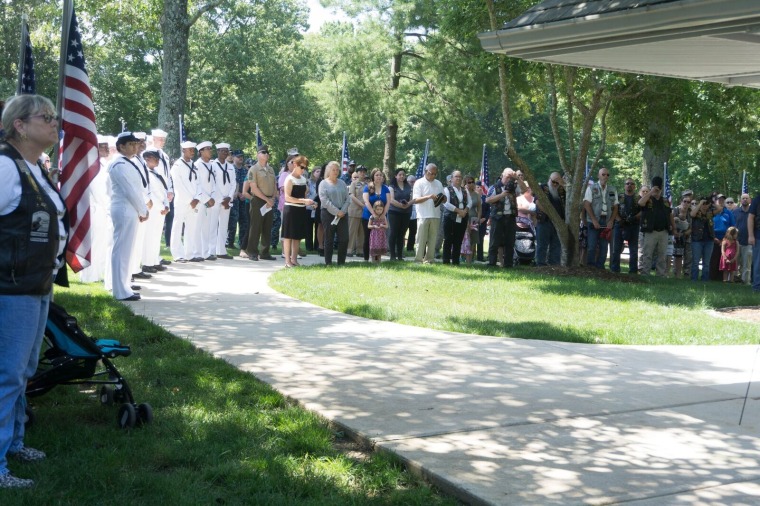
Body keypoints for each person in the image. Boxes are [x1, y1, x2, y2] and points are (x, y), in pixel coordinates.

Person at [1, 94, 67, 488]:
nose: (54, 122)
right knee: (7, 374)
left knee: (23, 371)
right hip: (12, 287)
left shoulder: (32, 167)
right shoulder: (6, 167)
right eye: (46, 117)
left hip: (35, 284)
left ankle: (14, 442)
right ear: (20, 125)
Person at [109, 132, 149, 301]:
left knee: (127, 251)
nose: (134, 147)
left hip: (131, 209)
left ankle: (125, 287)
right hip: (125, 209)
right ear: (121, 147)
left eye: (135, 144)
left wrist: (141, 209)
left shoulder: (129, 162)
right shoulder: (119, 165)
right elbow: (129, 190)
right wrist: (143, 210)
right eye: (130, 144)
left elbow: (137, 189)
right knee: (121, 250)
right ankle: (120, 290)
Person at [243, 145, 277, 261]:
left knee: (267, 227)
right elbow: (253, 188)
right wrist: (267, 200)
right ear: (257, 154)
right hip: (258, 200)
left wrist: (272, 199)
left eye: (267, 152)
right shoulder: (253, 169)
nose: (266, 154)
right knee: (255, 227)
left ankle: (265, 252)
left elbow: (274, 186)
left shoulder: (271, 169)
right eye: (263, 152)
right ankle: (252, 251)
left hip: (269, 200)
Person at [638, 176, 676, 277]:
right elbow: (640, 203)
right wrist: (651, 192)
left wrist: (674, 228)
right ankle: (645, 273)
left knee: (662, 255)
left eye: (658, 188)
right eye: (655, 187)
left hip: (663, 231)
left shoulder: (665, 200)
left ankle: (660, 274)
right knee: (648, 254)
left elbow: (670, 214)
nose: (657, 190)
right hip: (650, 231)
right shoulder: (647, 199)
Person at [282, 155, 315, 267]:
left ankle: (294, 259)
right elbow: (287, 197)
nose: (303, 170)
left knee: (297, 236)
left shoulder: (303, 179)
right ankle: (287, 261)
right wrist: (303, 201)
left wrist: (310, 202)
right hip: (290, 209)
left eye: (305, 168)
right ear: (295, 165)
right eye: (301, 167)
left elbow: (304, 194)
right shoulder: (289, 179)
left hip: (301, 210)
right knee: (288, 236)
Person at [169, 141, 200, 262]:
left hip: (194, 201)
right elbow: (178, 186)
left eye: (193, 149)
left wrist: (197, 198)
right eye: (190, 150)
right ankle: (177, 254)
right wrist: (190, 200)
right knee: (177, 227)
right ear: (183, 151)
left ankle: (189, 253)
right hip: (182, 201)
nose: (192, 152)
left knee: (191, 228)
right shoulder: (177, 166)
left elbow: (198, 183)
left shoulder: (193, 165)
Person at [141, 150, 170, 272]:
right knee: (149, 237)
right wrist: (161, 207)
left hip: (161, 209)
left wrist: (167, 205)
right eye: (155, 158)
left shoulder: (157, 173)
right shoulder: (145, 173)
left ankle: (154, 261)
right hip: (153, 209)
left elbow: (164, 191)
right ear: (147, 159)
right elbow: (149, 193)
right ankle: (147, 263)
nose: (158, 161)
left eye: (158, 159)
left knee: (156, 237)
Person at [583, 167, 618, 269]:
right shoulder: (591, 188)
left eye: (607, 175)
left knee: (604, 247)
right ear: (598, 176)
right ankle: (590, 267)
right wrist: (593, 220)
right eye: (603, 174)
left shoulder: (612, 189)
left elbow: (616, 206)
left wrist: (611, 220)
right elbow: (586, 204)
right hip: (593, 220)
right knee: (592, 246)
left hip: (606, 221)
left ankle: (600, 267)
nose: (605, 176)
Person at [486, 168, 521, 268]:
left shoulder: (514, 187)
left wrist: (517, 178)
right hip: (497, 218)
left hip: (510, 217)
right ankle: (492, 263)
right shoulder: (494, 187)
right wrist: (501, 195)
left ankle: (508, 264)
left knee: (510, 242)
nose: (509, 179)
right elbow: (488, 200)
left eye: (510, 177)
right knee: (494, 241)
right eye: (507, 176)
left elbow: (524, 189)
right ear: (502, 175)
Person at [411, 163, 444, 264]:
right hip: (423, 215)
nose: (433, 176)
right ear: (426, 172)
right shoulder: (419, 183)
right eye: (431, 173)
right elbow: (415, 200)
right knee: (421, 239)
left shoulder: (438, 183)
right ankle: (418, 259)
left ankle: (429, 259)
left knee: (433, 239)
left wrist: (443, 198)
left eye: (435, 174)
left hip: (435, 214)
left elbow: (443, 198)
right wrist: (429, 197)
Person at [319, 161, 350, 265]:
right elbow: (324, 201)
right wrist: (336, 212)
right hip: (328, 214)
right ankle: (328, 263)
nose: (335, 172)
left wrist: (342, 211)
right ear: (328, 170)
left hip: (343, 214)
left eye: (337, 170)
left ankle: (341, 262)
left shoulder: (342, 183)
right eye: (333, 170)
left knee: (344, 239)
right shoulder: (323, 183)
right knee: (329, 239)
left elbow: (347, 199)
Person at [194, 141, 218, 261]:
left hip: (210, 200)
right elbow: (197, 184)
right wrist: (206, 199)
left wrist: (212, 196)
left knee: (207, 228)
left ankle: (206, 252)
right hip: (200, 200)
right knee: (197, 227)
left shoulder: (211, 165)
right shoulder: (197, 165)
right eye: (208, 149)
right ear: (201, 152)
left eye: (210, 148)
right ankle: (197, 252)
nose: (210, 151)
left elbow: (213, 183)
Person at [535, 172, 565, 266]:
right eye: (553, 181)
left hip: (558, 223)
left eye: (557, 182)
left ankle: (554, 265)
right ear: (549, 179)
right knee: (542, 244)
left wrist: (563, 184)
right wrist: (551, 215)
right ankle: (540, 265)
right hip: (545, 221)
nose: (555, 184)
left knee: (556, 245)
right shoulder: (543, 187)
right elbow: (538, 202)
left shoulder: (561, 190)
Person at [441, 170, 470, 265]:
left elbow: (470, 202)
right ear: (451, 179)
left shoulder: (465, 190)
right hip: (450, 217)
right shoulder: (446, 189)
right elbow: (446, 203)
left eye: (460, 177)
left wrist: (465, 211)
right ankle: (446, 260)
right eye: (456, 176)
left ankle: (456, 261)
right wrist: (458, 211)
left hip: (462, 217)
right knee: (448, 239)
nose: (458, 178)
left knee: (458, 240)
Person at [362, 168, 391, 262]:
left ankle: (377, 258)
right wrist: (373, 213)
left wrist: (384, 213)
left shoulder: (385, 188)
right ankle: (366, 258)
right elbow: (366, 201)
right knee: (368, 237)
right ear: (373, 176)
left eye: (381, 175)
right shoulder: (367, 187)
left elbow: (388, 201)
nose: (379, 177)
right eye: (377, 175)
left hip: (381, 217)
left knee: (379, 237)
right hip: (368, 216)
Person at [213, 143, 236, 259]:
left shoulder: (231, 166)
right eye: (222, 151)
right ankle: (211, 251)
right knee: (212, 226)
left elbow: (233, 183)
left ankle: (221, 251)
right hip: (217, 201)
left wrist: (229, 198)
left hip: (227, 201)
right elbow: (213, 184)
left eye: (227, 151)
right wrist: (222, 199)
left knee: (223, 226)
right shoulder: (213, 165)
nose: (225, 153)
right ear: (218, 152)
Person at [387, 169, 413, 261]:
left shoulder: (408, 186)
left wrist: (407, 205)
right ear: (395, 176)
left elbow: (411, 199)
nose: (402, 176)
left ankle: (400, 255)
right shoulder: (391, 187)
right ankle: (392, 255)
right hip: (394, 212)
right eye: (400, 174)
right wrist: (401, 206)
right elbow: (391, 200)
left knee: (402, 234)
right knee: (394, 232)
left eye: (403, 175)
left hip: (406, 213)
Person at [690, 196, 718, 281]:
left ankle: (705, 280)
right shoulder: (696, 212)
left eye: (706, 204)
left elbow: (720, 208)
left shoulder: (710, 213)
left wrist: (713, 202)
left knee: (706, 262)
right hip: (697, 240)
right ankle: (694, 279)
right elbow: (692, 214)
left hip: (709, 240)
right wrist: (700, 203)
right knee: (695, 261)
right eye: (703, 204)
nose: (704, 205)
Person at [227, 150, 249, 253]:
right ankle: (229, 242)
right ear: (234, 158)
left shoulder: (245, 170)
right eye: (238, 156)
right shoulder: (231, 168)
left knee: (244, 221)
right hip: (234, 198)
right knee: (233, 221)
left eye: (242, 157)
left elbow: (248, 183)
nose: (240, 158)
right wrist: (239, 193)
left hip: (243, 199)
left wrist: (245, 194)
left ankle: (242, 242)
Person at [710, 194, 734, 281]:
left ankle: (721, 278)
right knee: (713, 258)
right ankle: (711, 277)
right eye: (719, 200)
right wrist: (713, 238)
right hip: (713, 239)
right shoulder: (711, 212)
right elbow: (709, 226)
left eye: (722, 200)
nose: (721, 201)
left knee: (723, 260)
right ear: (715, 201)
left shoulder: (728, 213)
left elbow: (732, 227)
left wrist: (726, 239)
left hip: (725, 240)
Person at [733, 193, 752, 284]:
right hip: (736, 241)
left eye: (746, 198)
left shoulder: (753, 212)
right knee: (735, 263)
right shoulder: (735, 212)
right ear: (740, 200)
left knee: (747, 264)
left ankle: (746, 281)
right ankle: (734, 280)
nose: (744, 199)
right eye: (743, 198)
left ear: (750, 200)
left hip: (748, 241)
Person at [672, 192, 693, 278]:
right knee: (677, 255)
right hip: (676, 236)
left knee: (688, 256)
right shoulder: (675, 210)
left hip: (687, 236)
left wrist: (684, 233)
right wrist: (675, 232)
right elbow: (671, 222)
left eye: (689, 202)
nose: (686, 203)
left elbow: (692, 227)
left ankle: (687, 274)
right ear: (681, 201)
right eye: (685, 201)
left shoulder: (691, 212)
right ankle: (677, 274)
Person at [463, 176, 482, 264]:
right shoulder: (463, 193)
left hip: (473, 218)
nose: (471, 184)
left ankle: (469, 260)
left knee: (473, 239)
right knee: (464, 238)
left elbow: (479, 208)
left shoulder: (476, 194)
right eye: (468, 182)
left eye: (472, 182)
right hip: (464, 218)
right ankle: (462, 257)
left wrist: (478, 218)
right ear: (465, 183)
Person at [347, 169, 365, 257]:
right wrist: (361, 204)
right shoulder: (353, 183)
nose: (362, 173)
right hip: (354, 210)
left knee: (362, 232)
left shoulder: (367, 184)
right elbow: (351, 195)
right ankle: (349, 250)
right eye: (361, 171)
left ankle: (360, 250)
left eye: (364, 172)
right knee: (352, 231)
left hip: (364, 211)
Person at [749, 191, 760, 293]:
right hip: (758, 236)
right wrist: (751, 235)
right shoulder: (757, 200)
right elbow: (750, 218)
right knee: (758, 263)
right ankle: (757, 287)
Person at [406, 174, 418, 253]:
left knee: (413, 231)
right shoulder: (405, 189)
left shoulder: (417, 189)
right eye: (411, 182)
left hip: (415, 213)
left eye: (414, 182)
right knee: (402, 231)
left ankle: (410, 247)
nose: (412, 183)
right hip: (406, 212)